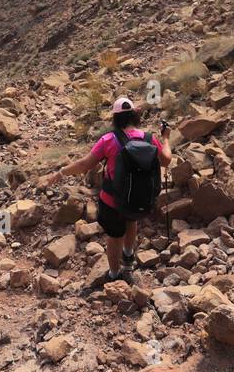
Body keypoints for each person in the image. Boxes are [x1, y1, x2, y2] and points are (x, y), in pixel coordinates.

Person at [44, 97, 171, 288]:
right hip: (138, 197)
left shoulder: (108, 140)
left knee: (114, 235)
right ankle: (128, 257)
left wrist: (61, 173)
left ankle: (114, 274)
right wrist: (166, 137)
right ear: (134, 117)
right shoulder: (149, 138)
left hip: (112, 200)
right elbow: (167, 160)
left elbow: (85, 164)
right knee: (131, 220)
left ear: (115, 118)